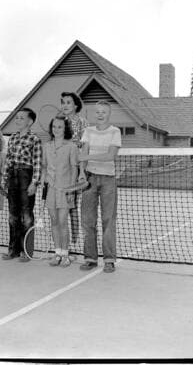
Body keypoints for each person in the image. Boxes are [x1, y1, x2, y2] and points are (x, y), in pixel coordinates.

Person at [78, 101, 121, 273]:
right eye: (98, 112)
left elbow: (111, 155)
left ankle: (109, 260)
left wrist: (88, 156)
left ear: (108, 114)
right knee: (88, 220)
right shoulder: (88, 131)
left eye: (104, 112)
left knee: (108, 220)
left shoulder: (115, 131)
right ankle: (90, 258)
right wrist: (81, 172)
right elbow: (83, 156)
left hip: (108, 179)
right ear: (94, 114)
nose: (100, 114)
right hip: (89, 178)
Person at [1, 108, 42, 262]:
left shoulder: (34, 139)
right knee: (13, 216)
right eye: (16, 118)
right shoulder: (12, 138)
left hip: (26, 177)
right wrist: (5, 180)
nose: (17, 120)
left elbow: (37, 163)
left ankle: (26, 251)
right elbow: (9, 160)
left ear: (30, 122)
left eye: (21, 118)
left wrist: (34, 182)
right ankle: (13, 250)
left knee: (26, 216)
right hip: (12, 177)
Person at [42, 115, 78, 267]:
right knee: (54, 221)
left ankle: (66, 254)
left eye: (60, 127)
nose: (56, 129)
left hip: (65, 190)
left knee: (63, 221)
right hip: (51, 189)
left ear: (65, 129)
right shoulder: (46, 146)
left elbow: (74, 169)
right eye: (54, 126)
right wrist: (45, 179)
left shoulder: (72, 147)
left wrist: (71, 191)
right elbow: (44, 166)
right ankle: (57, 253)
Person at [60, 91, 89, 244]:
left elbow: (85, 148)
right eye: (63, 102)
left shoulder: (82, 122)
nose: (65, 105)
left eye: (68, 102)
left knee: (72, 204)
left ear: (76, 105)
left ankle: (75, 241)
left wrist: (82, 171)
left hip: (75, 168)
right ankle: (64, 241)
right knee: (61, 205)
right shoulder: (60, 122)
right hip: (60, 169)